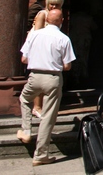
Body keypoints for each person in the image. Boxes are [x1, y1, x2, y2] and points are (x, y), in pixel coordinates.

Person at [17, 9, 76, 166]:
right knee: (48, 116)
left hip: (34, 75)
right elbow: (67, 66)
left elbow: (24, 59)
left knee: (24, 99)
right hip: (53, 78)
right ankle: (41, 154)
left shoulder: (34, 35)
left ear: (47, 20)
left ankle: (26, 129)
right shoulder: (64, 38)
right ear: (61, 21)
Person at [30, 0, 65, 118]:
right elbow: (36, 34)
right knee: (40, 78)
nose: (54, 7)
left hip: (51, 49)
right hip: (41, 48)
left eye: (57, 4)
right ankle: (37, 107)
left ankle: (45, 107)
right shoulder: (42, 14)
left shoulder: (58, 15)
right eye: (51, 4)